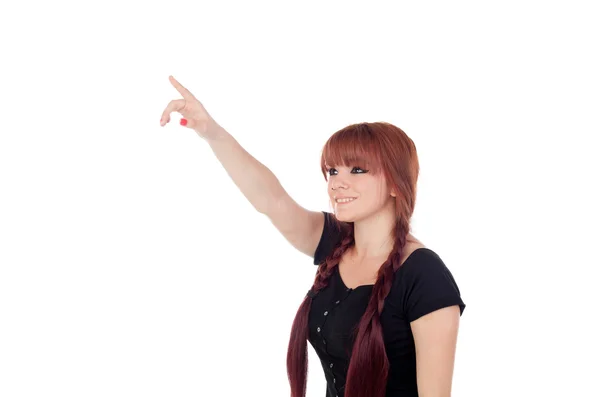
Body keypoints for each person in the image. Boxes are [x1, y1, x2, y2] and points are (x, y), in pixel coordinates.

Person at [159, 75, 466, 397]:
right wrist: (211, 132)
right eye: (333, 171)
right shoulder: (336, 242)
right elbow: (271, 199)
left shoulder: (424, 275)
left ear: (395, 184)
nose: (337, 183)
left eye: (357, 170)